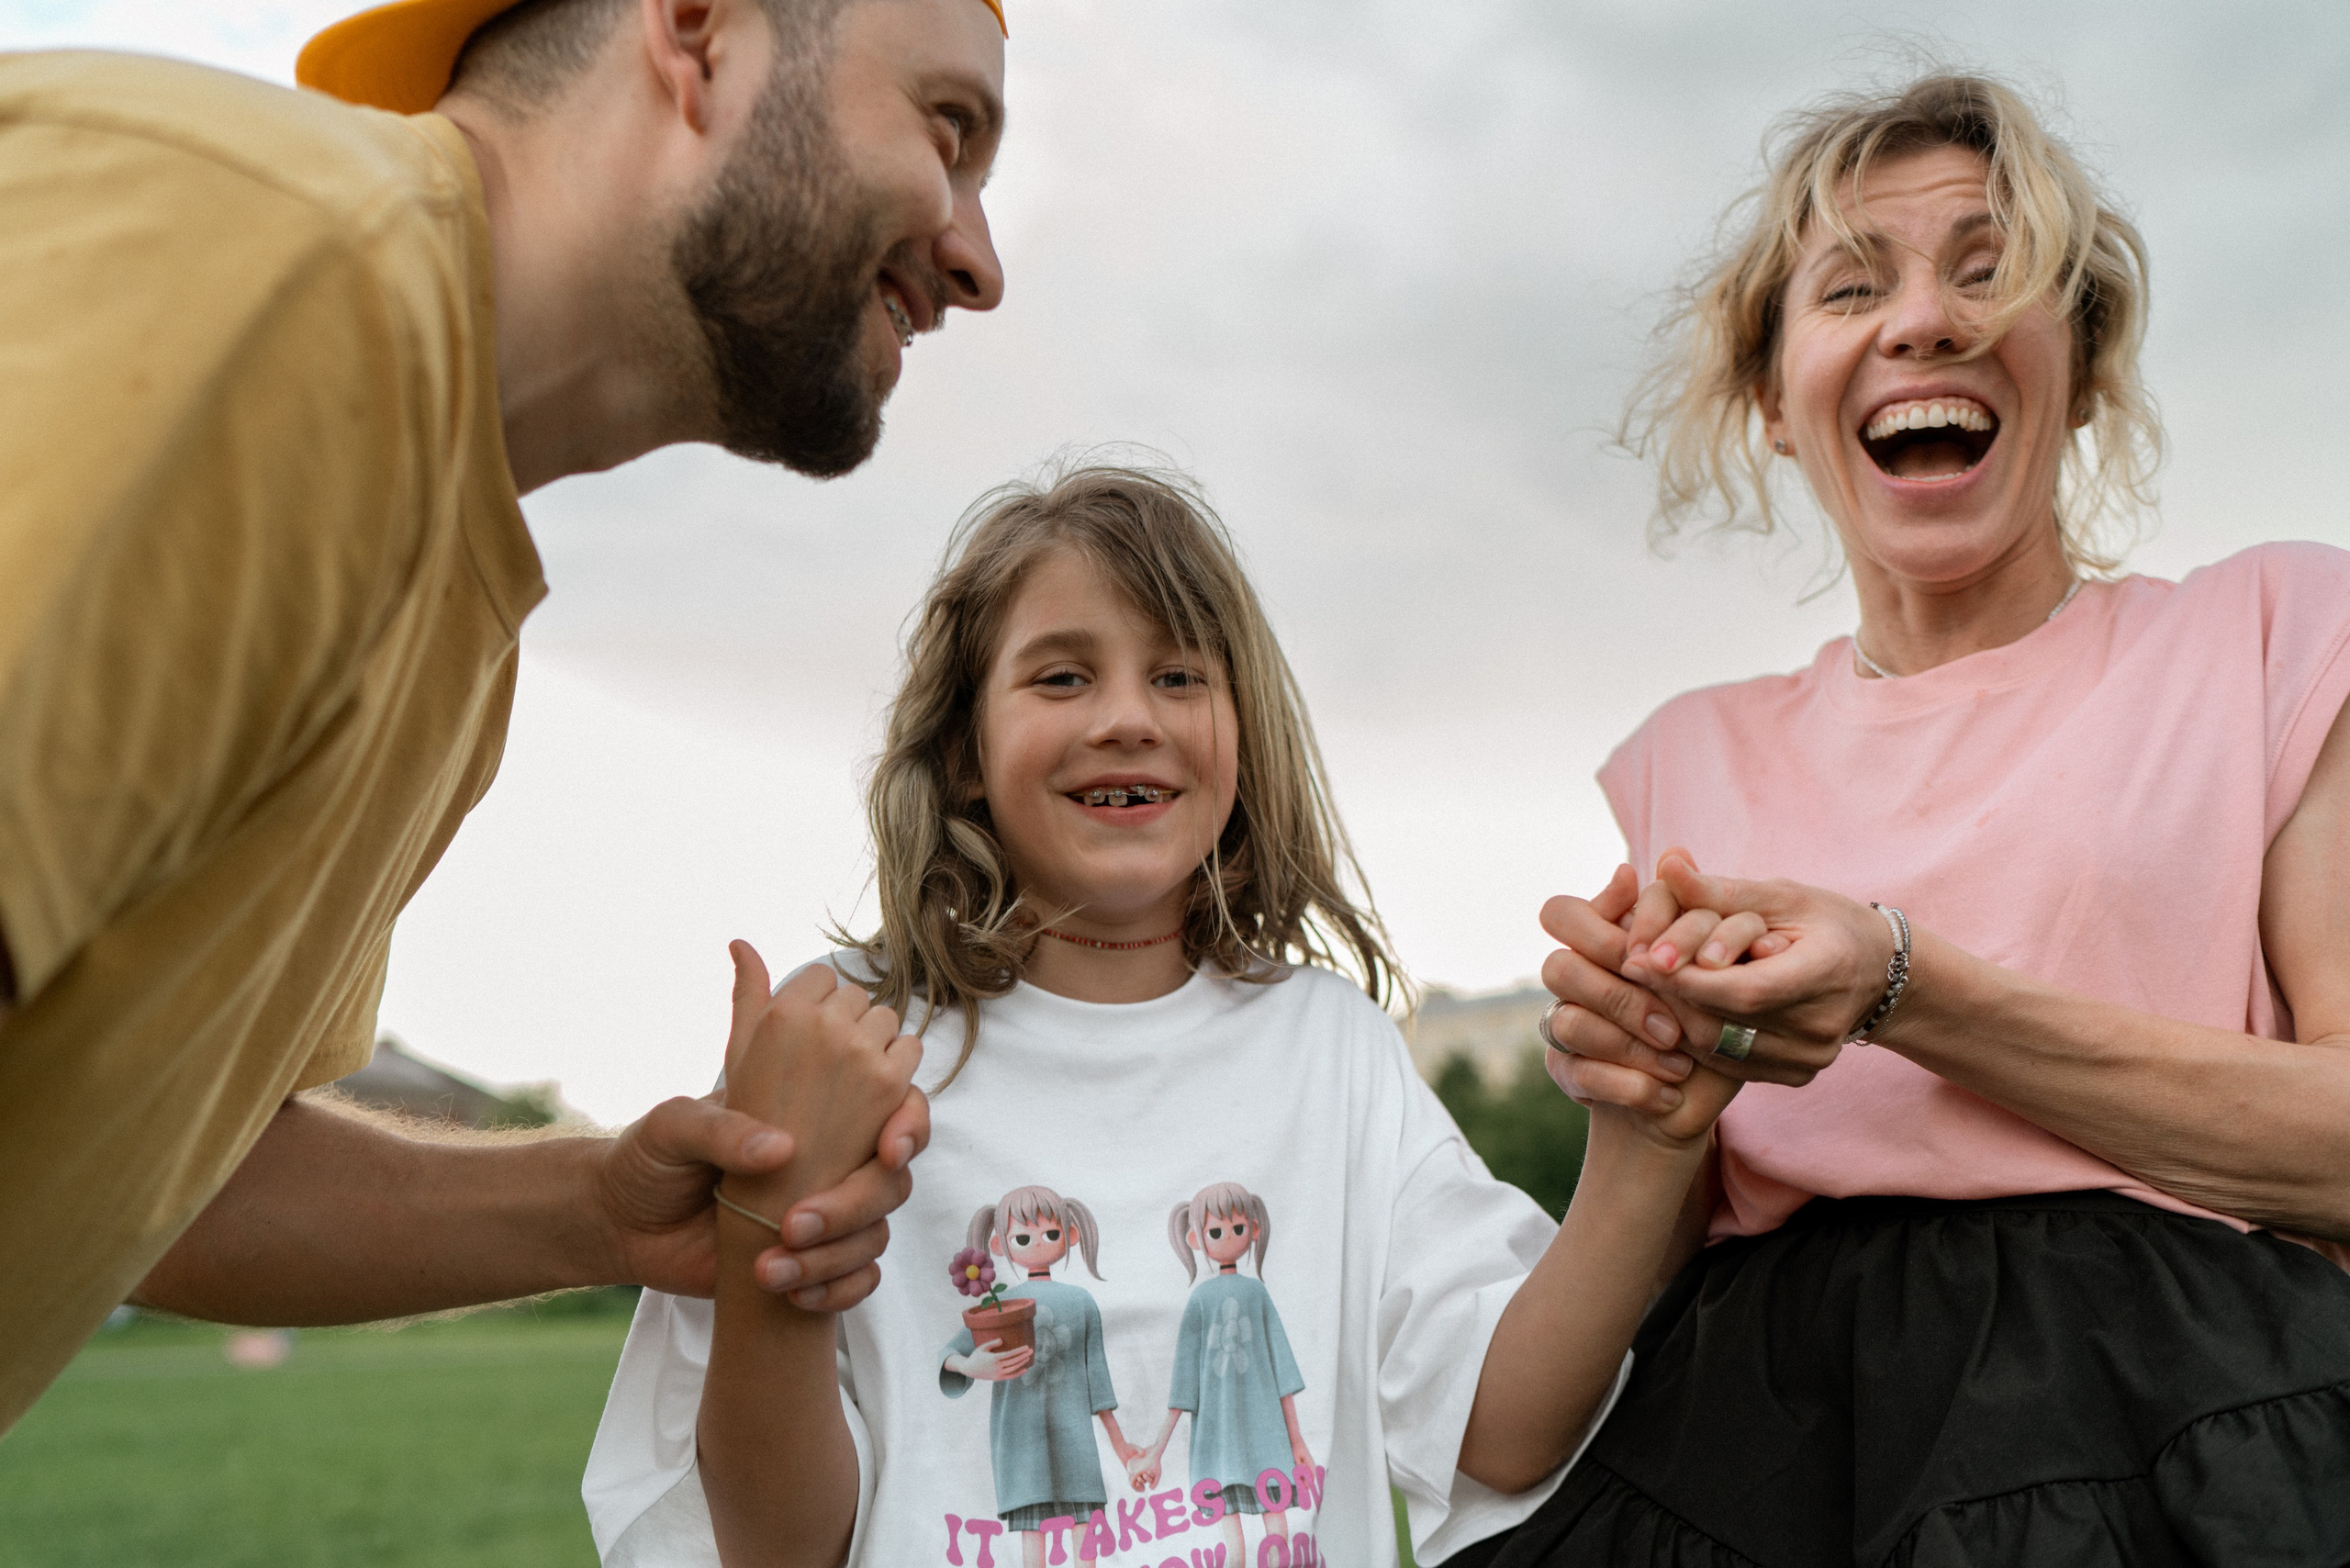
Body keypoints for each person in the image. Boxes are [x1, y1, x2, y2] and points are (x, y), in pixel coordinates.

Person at [0, 0, 1007, 1434]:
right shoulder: (302, 274)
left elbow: (156, 1173)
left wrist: (601, 1209)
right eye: (949, 130)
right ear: (699, 33)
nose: (978, 260)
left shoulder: (449, 621)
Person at [579, 465, 1738, 1568]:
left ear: (1241, 735)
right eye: (1061, 676)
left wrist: (1648, 1136)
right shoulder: (852, 1045)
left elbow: (1498, 1430)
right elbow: (778, 1547)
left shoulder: (1328, 1048)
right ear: (961, 751)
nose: (1128, 716)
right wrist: (770, 1228)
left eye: (1180, 675)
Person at [1525, 73, 2350, 1564]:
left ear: (2083, 361)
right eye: (1854, 283)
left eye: (1991, 271)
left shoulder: (2278, 635)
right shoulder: (1687, 764)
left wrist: (1902, 981)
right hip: (1764, 1463)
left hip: (2191, 1417)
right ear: (1775, 401)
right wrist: (1642, 1116)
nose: (1925, 320)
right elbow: (1588, 1333)